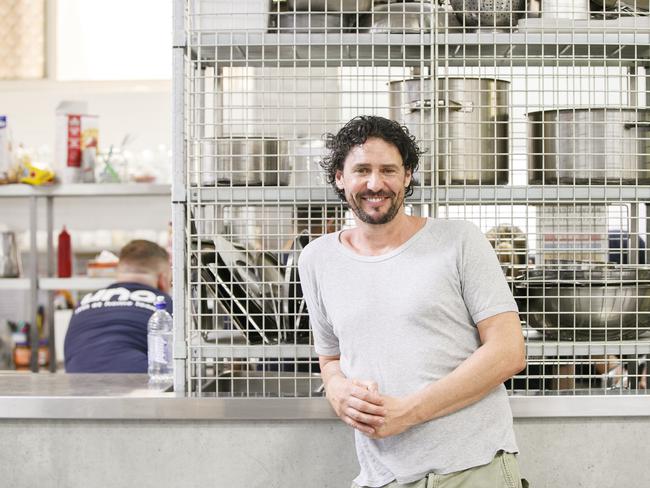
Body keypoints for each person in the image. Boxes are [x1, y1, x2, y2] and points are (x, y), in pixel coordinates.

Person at [298, 116, 527, 488]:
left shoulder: (459, 241)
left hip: (472, 468)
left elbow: (509, 350)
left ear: (407, 176)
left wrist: (408, 413)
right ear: (340, 177)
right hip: (383, 476)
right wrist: (338, 391)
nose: (376, 183)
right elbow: (331, 358)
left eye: (388, 169)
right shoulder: (317, 259)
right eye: (362, 170)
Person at [64, 239, 172, 373]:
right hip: (138, 383)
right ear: (163, 279)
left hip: (78, 385)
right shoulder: (164, 305)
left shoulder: (85, 300)